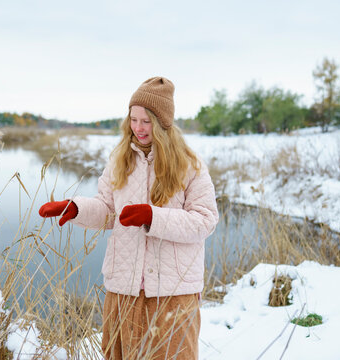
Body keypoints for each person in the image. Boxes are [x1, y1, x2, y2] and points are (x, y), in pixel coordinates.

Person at [39, 77, 219, 359]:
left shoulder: (189, 164)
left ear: (162, 122)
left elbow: (204, 220)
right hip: (124, 290)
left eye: (146, 121)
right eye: (133, 119)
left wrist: (153, 217)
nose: (138, 127)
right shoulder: (120, 159)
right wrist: (76, 209)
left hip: (172, 295)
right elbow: (109, 210)